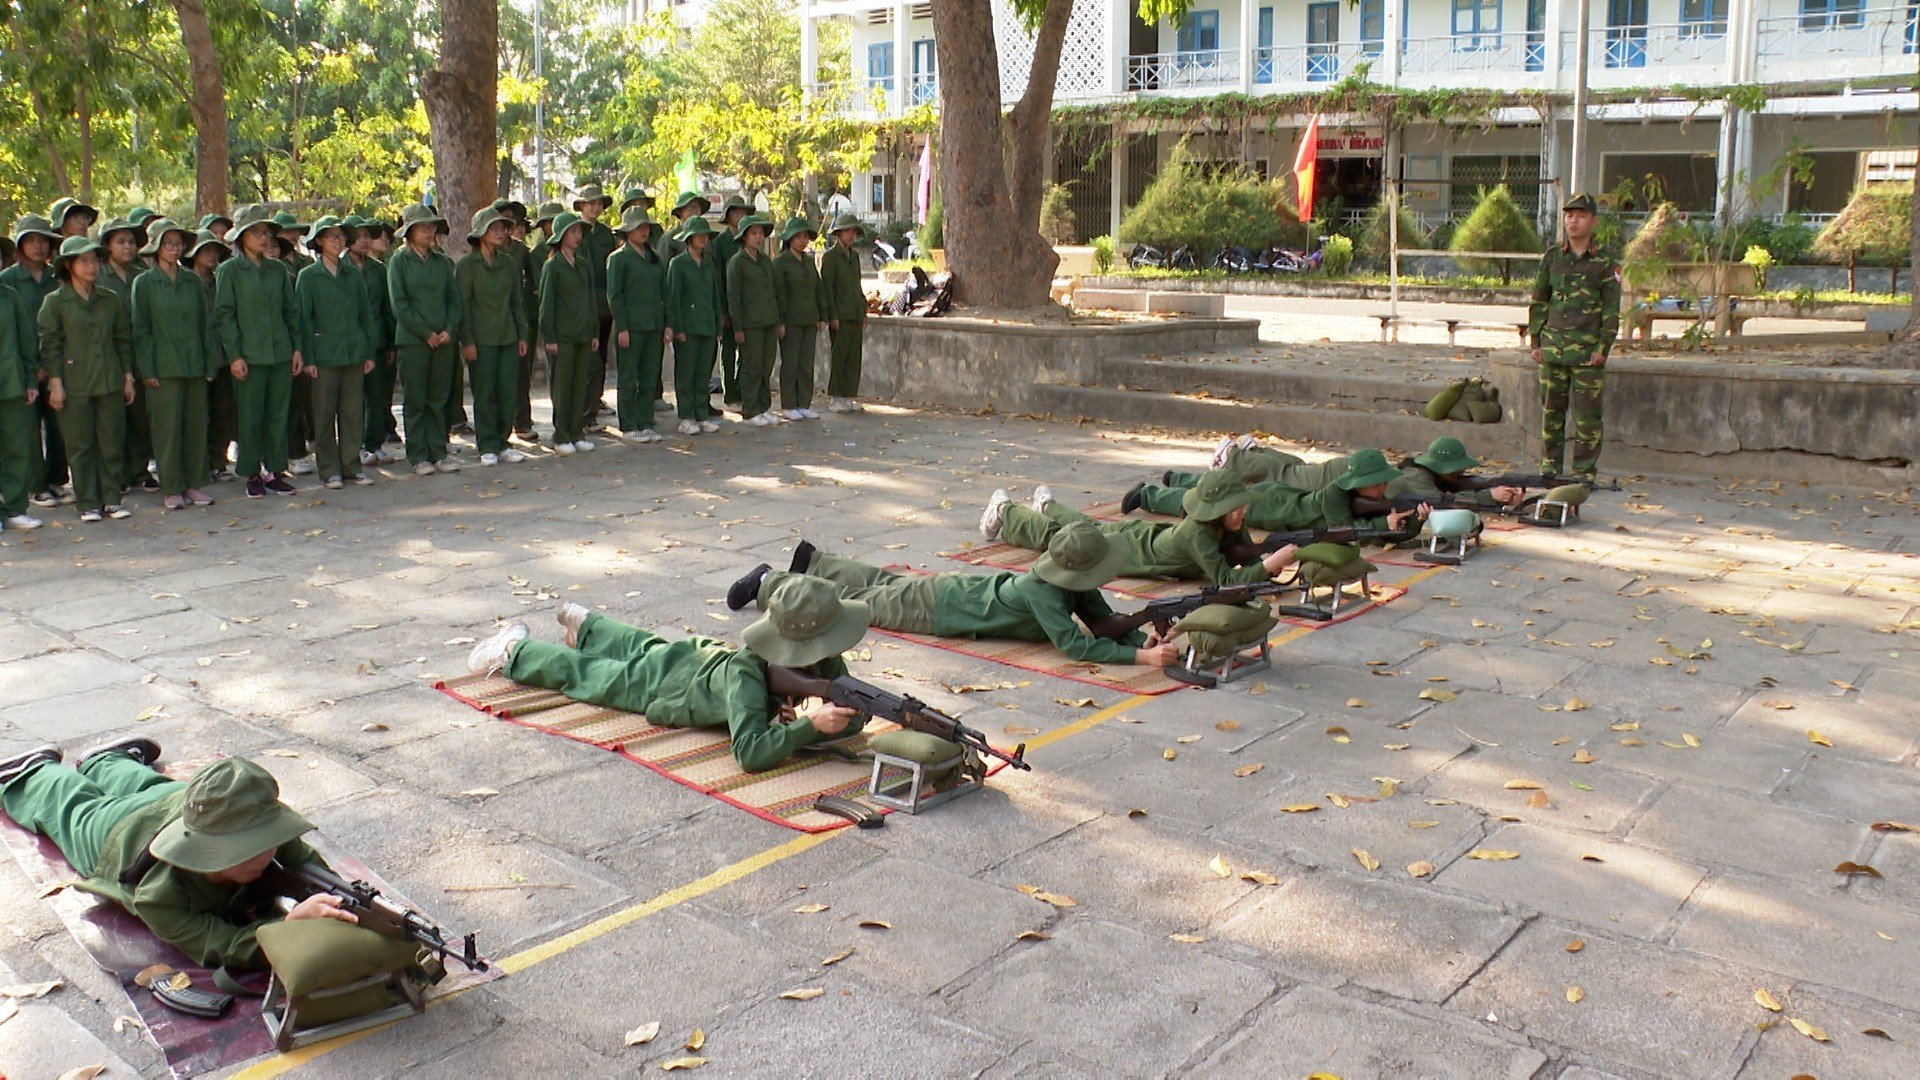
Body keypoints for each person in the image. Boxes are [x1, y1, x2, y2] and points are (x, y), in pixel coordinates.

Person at [0, 739, 354, 970]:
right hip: (116, 834)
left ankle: (106, 761)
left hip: (173, 804)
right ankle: (32, 770)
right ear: (205, 849)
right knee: (74, 810)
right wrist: (288, 929)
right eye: (242, 849)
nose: (262, 854)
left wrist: (343, 898)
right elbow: (223, 947)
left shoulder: (243, 824)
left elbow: (304, 862)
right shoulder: (159, 896)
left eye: (266, 839)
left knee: (149, 785)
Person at [464, 575, 872, 773]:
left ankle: (588, 627)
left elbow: (847, 703)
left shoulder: (818, 655)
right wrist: (809, 727)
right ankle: (514, 649)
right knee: (598, 676)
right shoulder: (748, 674)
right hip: (677, 689)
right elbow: (749, 753)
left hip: (697, 657)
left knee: (653, 648)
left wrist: (852, 714)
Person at [728, 524, 1180, 667]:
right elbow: (1075, 644)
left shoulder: (1071, 584)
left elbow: (1102, 622)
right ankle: (772, 583)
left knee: (881, 581)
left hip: (952, 591)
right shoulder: (1043, 592)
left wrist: (1141, 637)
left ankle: (815, 560)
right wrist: (1140, 660)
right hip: (938, 609)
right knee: (861, 601)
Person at [983, 470, 1298, 586]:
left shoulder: (1232, 523)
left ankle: (1047, 507)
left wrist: (1264, 567)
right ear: (1215, 510)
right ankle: (1004, 510)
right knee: (1061, 540)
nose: (1242, 512)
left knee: (1087, 525)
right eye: (1235, 507)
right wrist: (1271, 563)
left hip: (1145, 535)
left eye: (1242, 505)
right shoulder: (1198, 533)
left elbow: (1249, 559)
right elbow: (1226, 579)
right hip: (1131, 553)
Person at [38, 236, 135, 522]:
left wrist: (128, 377)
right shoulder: (55, 302)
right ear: (69, 265)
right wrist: (55, 384)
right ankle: (88, 502)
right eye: (84, 261)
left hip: (109, 379)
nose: (91, 266)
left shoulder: (109, 299)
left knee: (111, 440)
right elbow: (50, 345)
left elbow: (122, 340)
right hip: (74, 382)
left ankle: (112, 499)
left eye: (94, 260)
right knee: (80, 444)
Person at [1529, 193, 1620, 483]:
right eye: (1569, 215)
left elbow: (1611, 309)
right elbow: (1539, 301)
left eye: (1580, 216)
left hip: (1587, 354)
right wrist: (1536, 342)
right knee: (1551, 413)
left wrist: (1603, 347)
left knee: (1588, 419)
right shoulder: (1553, 257)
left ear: (1593, 221)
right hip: (1553, 350)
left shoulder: (1606, 262)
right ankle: (1550, 469)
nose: (1573, 221)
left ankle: (1583, 473)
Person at [130, 219, 219, 510]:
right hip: (163, 368)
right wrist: (148, 369)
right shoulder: (144, 283)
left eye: (179, 244)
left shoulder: (192, 280)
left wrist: (209, 362)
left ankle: (194, 483)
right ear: (156, 247)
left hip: (193, 364)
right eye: (168, 243)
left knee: (196, 426)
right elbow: (140, 330)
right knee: (166, 429)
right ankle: (170, 487)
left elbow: (205, 325)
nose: (174, 248)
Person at [214, 205, 302, 499]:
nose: (263, 238)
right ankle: (251, 473)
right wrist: (234, 355)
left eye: (266, 233)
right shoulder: (229, 271)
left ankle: (276, 471)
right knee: (250, 416)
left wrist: (296, 349)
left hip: (279, 353)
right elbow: (224, 315)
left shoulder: (278, 270)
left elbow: (290, 312)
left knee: (278, 414)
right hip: (249, 355)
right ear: (241, 237)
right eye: (256, 233)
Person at [296, 216, 375, 490]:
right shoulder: (308, 277)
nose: (337, 241)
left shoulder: (353, 273)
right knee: (324, 413)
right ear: (319, 241)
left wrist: (368, 352)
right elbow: (303, 320)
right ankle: (329, 469)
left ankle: (352, 466)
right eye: (331, 237)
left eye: (340, 236)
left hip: (353, 352)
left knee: (353, 413)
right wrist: (308, 358)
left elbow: (366, 315)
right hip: (324, 355)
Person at [387, 203, 463, 477]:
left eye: (431, 226)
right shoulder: (398, 261)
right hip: (413, 342)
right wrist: (425, 333)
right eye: (422, 226)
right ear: (409, 232)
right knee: (416, 399)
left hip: (443, 341)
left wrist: (448, 330)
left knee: (439, 398)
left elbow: (454, 300)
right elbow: (400, 304)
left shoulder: (442, 262)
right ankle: (418, 454)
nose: (429, 231)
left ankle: (438, 451)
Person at [455, 206, 531, 466]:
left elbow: (516, 303)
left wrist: (522, 334)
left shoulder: (508, 263)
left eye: (503, 228)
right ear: (480, 233)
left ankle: (503, 441)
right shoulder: (467, 265)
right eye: (494, 228)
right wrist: (467, 340)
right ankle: (486, 444)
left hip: (507, 337)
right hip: (481, 339)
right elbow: (462, 306)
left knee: (508, 392)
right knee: (484, 393)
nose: (500, 233)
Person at [4, 216, 67, 507]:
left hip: (57, 362)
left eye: (43, 240)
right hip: (22, 365)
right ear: (20, 246)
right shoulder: (8, 280)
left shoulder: (60, 276)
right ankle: (36, 485)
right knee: (29, 429)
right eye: (31, 240)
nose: (38, 246)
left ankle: (56, 479)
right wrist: (31, 367)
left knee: (59, 424)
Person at [95, 217, 157, 493]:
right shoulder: (97, 275)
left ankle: (139, 470)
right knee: (112, 419)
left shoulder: (141, 275)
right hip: (108, 354)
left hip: (139, 351)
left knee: (141, 415)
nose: (128, 247)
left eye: (132, 241)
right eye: (120, 241)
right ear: (107, 246)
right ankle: (114, 474)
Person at [537, 210, 600, 456]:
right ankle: (561, 434)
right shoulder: (552, 266)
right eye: (573, 231)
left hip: (583, 334)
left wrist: (594, 331)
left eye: (579, 232)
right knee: (562, 387)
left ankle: (577, 432)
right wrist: (549, 337)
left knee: (579, 385)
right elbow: (547, 304)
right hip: (562, 336)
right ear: (561, 235)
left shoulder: (583, 264)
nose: (577, 236)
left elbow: (591, 300)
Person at [605, 205, 667, 442]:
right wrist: (622, 327)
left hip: (653, 325)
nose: (643, 231)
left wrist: (666, 324)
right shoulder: (618, 259)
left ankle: (646, 422)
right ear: (627, 231)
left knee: (650, 375)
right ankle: (629, 425)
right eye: (638, 227)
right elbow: (615, 295)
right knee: (629, 376)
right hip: (631, 327)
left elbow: (664, 292)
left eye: (645, 227)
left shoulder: (654, 258)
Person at [664, 216, 724, 437]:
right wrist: (676, 326)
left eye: (705, 235)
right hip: (687, 328)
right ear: (688, 238)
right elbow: (673, 298)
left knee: (703, 374)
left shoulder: (708, 263)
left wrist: (717, 324)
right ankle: (687, 416)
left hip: (707, 326)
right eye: (698, 235)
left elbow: (714, 297)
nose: (703, 238)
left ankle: (701, 414)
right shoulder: (677, 264)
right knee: (686, 373)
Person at [348, 215, 399, 467]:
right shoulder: (340, 269)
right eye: (359, 236)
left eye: (369, 235)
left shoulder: (378, 269)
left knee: (378, 397)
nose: (365, 241)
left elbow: (387, 308)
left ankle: (374, 444)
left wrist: (390, 343)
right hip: (349, 345)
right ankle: (353, 446)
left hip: (377, 342)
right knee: (352, 400)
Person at [272, 212, 318, 477]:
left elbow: (295, 315)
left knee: (295, 404)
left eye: (275, 247)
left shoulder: (289, 276)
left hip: (290, 347)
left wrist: (298, 347)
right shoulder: (235, 274)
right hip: (258, 352)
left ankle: (296, 452)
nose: (270, 250)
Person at [725, 214, 781, 427]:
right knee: (751, 367)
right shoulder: (737, 262)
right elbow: (734, 297)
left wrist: (776, 320)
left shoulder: (766, 261)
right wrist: (738, 326)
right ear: (744, 237)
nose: (758, 238)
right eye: (754, 234)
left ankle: (763, 407)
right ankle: (750, 409)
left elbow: (773, 292)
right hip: (750, 324)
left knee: (766, 366)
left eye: (760, 234)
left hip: (768, 321)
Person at [189, 230, 236, 482]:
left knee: (223, 412)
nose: (211, 255)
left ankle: (218, 460)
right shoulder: (186, 283)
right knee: (198, 414)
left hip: (224, 358)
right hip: (196, 361)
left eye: (215, 250)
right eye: (205, 250)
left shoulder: (221, 281)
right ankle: (199, 464)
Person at [0, 260, 43, 531]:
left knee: (17, 448)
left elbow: (26, 340)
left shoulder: (9, 295)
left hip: (11, 383)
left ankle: (15, 508)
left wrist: (30, 379)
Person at [772, 216, 827, 422]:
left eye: (805, 237)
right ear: (789, 239)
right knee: (791, 363)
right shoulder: (781, 262)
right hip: (791, 320)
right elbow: (778, 293)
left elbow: (818, 290)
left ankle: (804, 403)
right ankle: (788, 404)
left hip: (809, 318)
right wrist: (781, 321)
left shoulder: (809, 261)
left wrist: (822, 315)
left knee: (806, 363)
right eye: (798, 237)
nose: (802, 241)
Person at [572, 183, 617, 431]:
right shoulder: (574, 230)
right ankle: (582, 409)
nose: (596, 207)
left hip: (603, 304)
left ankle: (595, 400)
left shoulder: (606, 234)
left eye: (599, 204)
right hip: (581, 304)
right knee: (586, 359)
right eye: (591, 203)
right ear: (581, 206)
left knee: (599, 357)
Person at [819, 214, 867, 413]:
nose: (850, 235)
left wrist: (863, 309)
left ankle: (848, 394)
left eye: (853, 231)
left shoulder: (854, 257)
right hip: (840, 313)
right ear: (838, 233)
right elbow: (827, 288)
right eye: (846, 231)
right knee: (839, 355)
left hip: (854, 312)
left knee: (853, 356)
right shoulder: (830, 257)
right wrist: (832, 316)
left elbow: (857, 284)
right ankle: (836, 396)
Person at [711, 196, 752, 409]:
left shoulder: (749, 241)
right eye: (736, 213)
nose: (740, 216)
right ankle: (731, 395)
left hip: (748, 306)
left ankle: (744, 391)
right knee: (728, 351)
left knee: (746, 351)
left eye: (743, 213)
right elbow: (717, 278)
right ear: (727, 217)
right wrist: (723, 311)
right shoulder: (719, 243)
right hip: (728, 304)